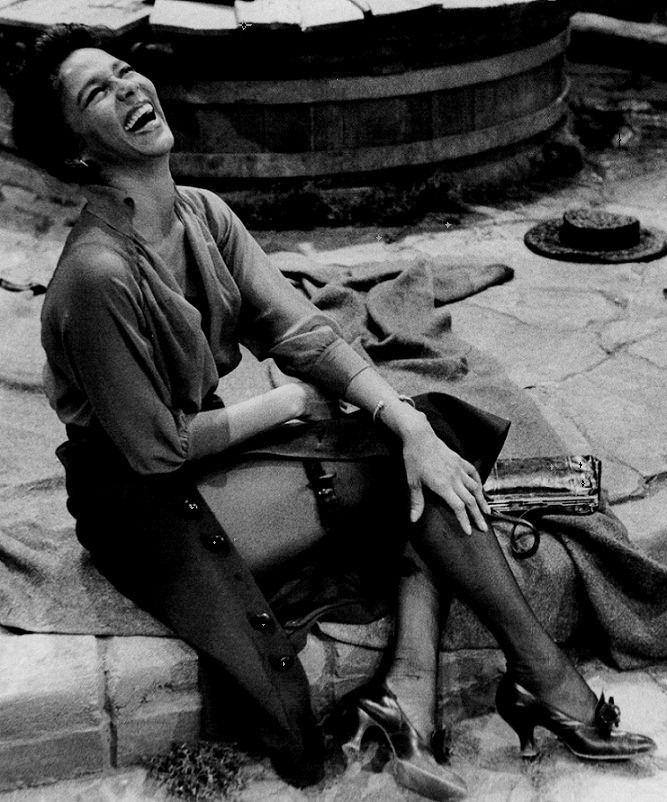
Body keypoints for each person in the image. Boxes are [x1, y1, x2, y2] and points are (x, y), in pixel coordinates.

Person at [11, 24, 655, 801]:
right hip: (141, 505)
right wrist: (290, 402)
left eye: (123, 72)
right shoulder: (98, 275)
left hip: (198, 460)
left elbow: (303, 332)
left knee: (421, 438)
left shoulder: (201, 213)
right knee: (401, 472)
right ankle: (536, 680)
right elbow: (156, 451)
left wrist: (406, 422)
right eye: (96, 93)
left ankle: (419, 697)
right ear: (78, 150)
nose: (127, 91)